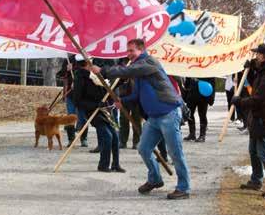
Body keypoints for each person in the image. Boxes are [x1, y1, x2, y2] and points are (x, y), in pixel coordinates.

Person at [91, 39, 191, 200]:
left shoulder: (149, 62)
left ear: (141, 50)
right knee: (143, 148)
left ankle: (183, 188)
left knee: (175, 153)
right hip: (153, 118)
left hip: (169, 113)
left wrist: (103, 70)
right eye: (128, 51)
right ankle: (155, 179)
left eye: (132, 51)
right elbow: (137, 95)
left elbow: (127, 71)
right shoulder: (138, 70)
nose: (129, 54)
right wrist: (122, 101)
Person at [231, 43, 265, 198]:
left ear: (264, 56)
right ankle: (256, 180)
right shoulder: (263, 70)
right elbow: (256, 72)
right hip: (257, 118)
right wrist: (250, 66)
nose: (256, 57)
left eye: (257, 55)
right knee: (253, 151)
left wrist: (239, 101)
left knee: (262, 152)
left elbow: (258, 99)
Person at [72, 55, 125, 173]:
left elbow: (108, 87)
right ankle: (103, 165)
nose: (93, 64)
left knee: (115, 136)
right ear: (86, 64)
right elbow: (77, 100)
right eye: (90, 62)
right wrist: (95, 105)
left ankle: (115, 164)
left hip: (105, 109)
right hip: (93, 111)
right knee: (107, 136)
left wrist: (120, 80)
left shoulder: (96, 74)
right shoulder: (80, 77)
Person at [117, 58, 142, 150]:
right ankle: (123, 141)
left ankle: (137, 141)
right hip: (123, 96)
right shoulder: (121, 63)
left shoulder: (138, 62)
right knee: (123, 120)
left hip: (136, 97)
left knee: (137, 120)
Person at [183, 78, 215, 142]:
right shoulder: (191, 69)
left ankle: (202, 135)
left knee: (202, 115)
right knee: (189, 114)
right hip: (191, 94)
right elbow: (187, 81)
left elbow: (212, 84)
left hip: (203, 96)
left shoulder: (207, 69)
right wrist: (185, 96)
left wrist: (211, 98)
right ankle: (192, 134)